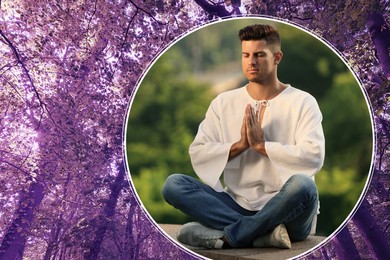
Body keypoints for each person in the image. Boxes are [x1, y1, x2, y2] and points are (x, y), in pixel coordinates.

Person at [162, 24, 325, 249]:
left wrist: (262, 146)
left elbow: (314, 156)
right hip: (236, 205)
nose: (251, 62)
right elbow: (198, 150)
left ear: (277, 57)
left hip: (288, 211)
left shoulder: (303, 102)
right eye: (246, 55)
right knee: (174, 185)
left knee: (304, 186)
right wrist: (239, 146)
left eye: (259, 55)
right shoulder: (223, 102)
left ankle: (231, 236)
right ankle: (262, 234)